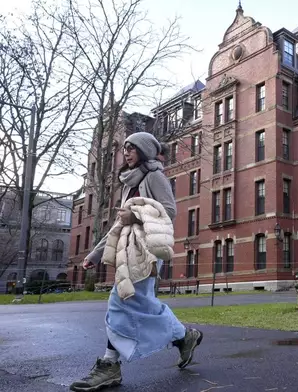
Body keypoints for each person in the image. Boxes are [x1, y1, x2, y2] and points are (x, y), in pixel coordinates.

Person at [70, 132, 203, 392]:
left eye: (132, 148)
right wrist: (94, 254)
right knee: (142, 304)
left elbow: (170, 210)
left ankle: (109, 366)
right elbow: (120, 223)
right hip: (127, 250)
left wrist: (137, 216)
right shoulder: (128, 181)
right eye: (126, 148)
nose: (127, 152)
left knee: (120, 300)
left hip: (147, 250)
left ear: (144, 151)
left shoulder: (154, 176)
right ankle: (184, 337)